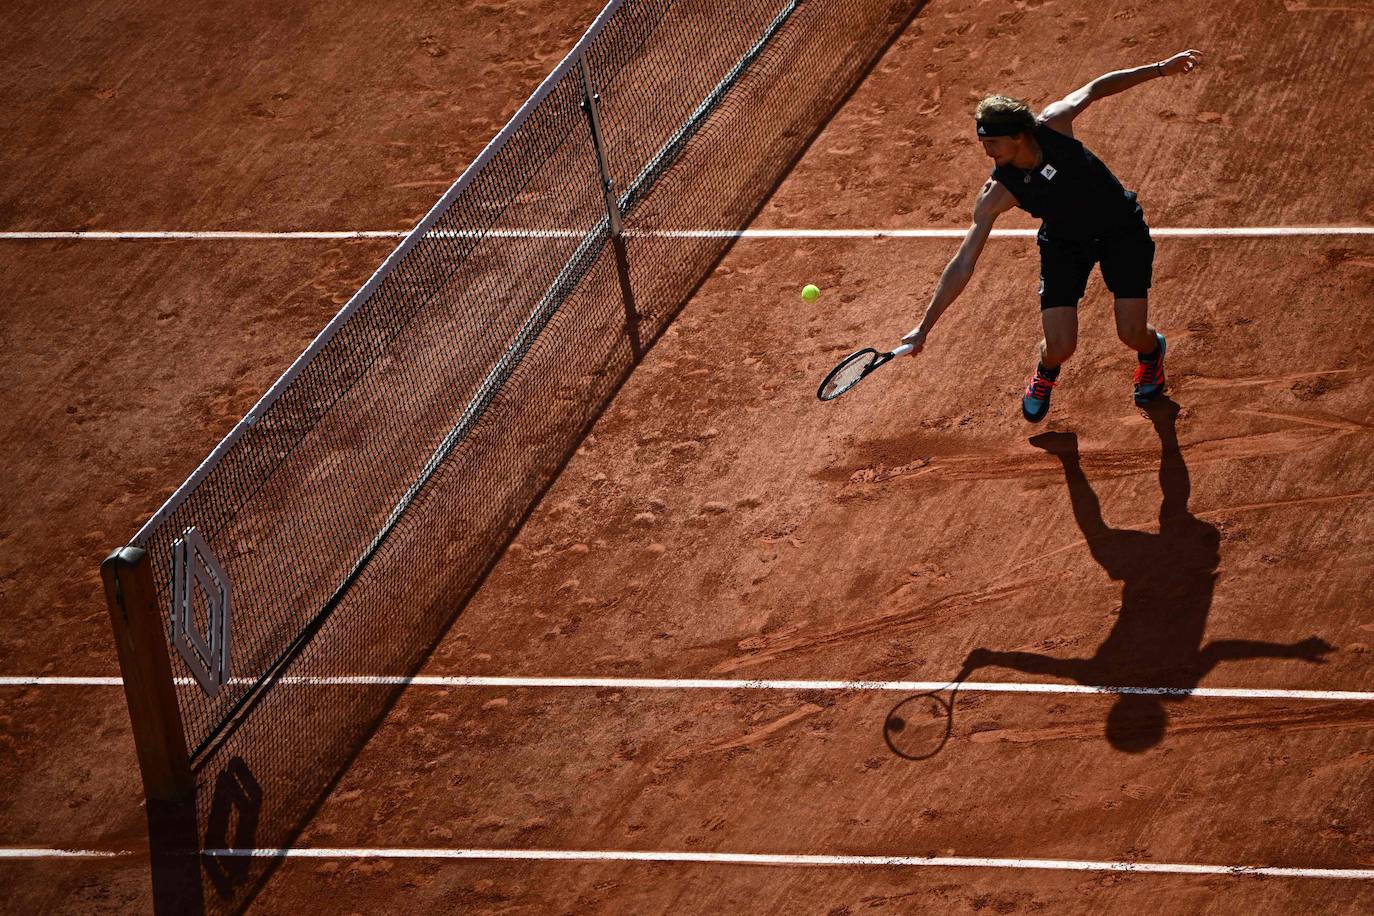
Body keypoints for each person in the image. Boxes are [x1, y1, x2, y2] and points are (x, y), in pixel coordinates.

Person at [900, 50, 1203, 421]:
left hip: (1121, 230)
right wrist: (924, 327)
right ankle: (1046, 372)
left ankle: (1151, 353)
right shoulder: (1000, 192)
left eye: (992, 143)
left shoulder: (1055, 124)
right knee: (1060, 347)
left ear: (1019, 136)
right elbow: (964, 261)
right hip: (1065, 244)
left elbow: (1096, 88)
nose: (986, 152)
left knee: (1132, 332)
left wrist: (1158, 69)